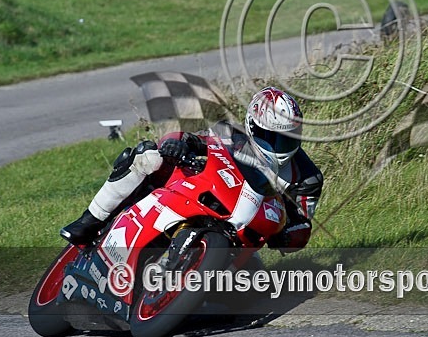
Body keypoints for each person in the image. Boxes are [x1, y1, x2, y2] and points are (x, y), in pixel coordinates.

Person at [60, 87, 323, 254]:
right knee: (146, 157)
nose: (279, 145)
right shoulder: (230, 133)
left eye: (287, 137)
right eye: (271, 136)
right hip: (209, 191)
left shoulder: (307, 179)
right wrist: (175, 144)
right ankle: (90, 219)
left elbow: (302, 225)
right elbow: (192, 139)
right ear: (253, 126)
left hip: (242, 232)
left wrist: (288, 234)